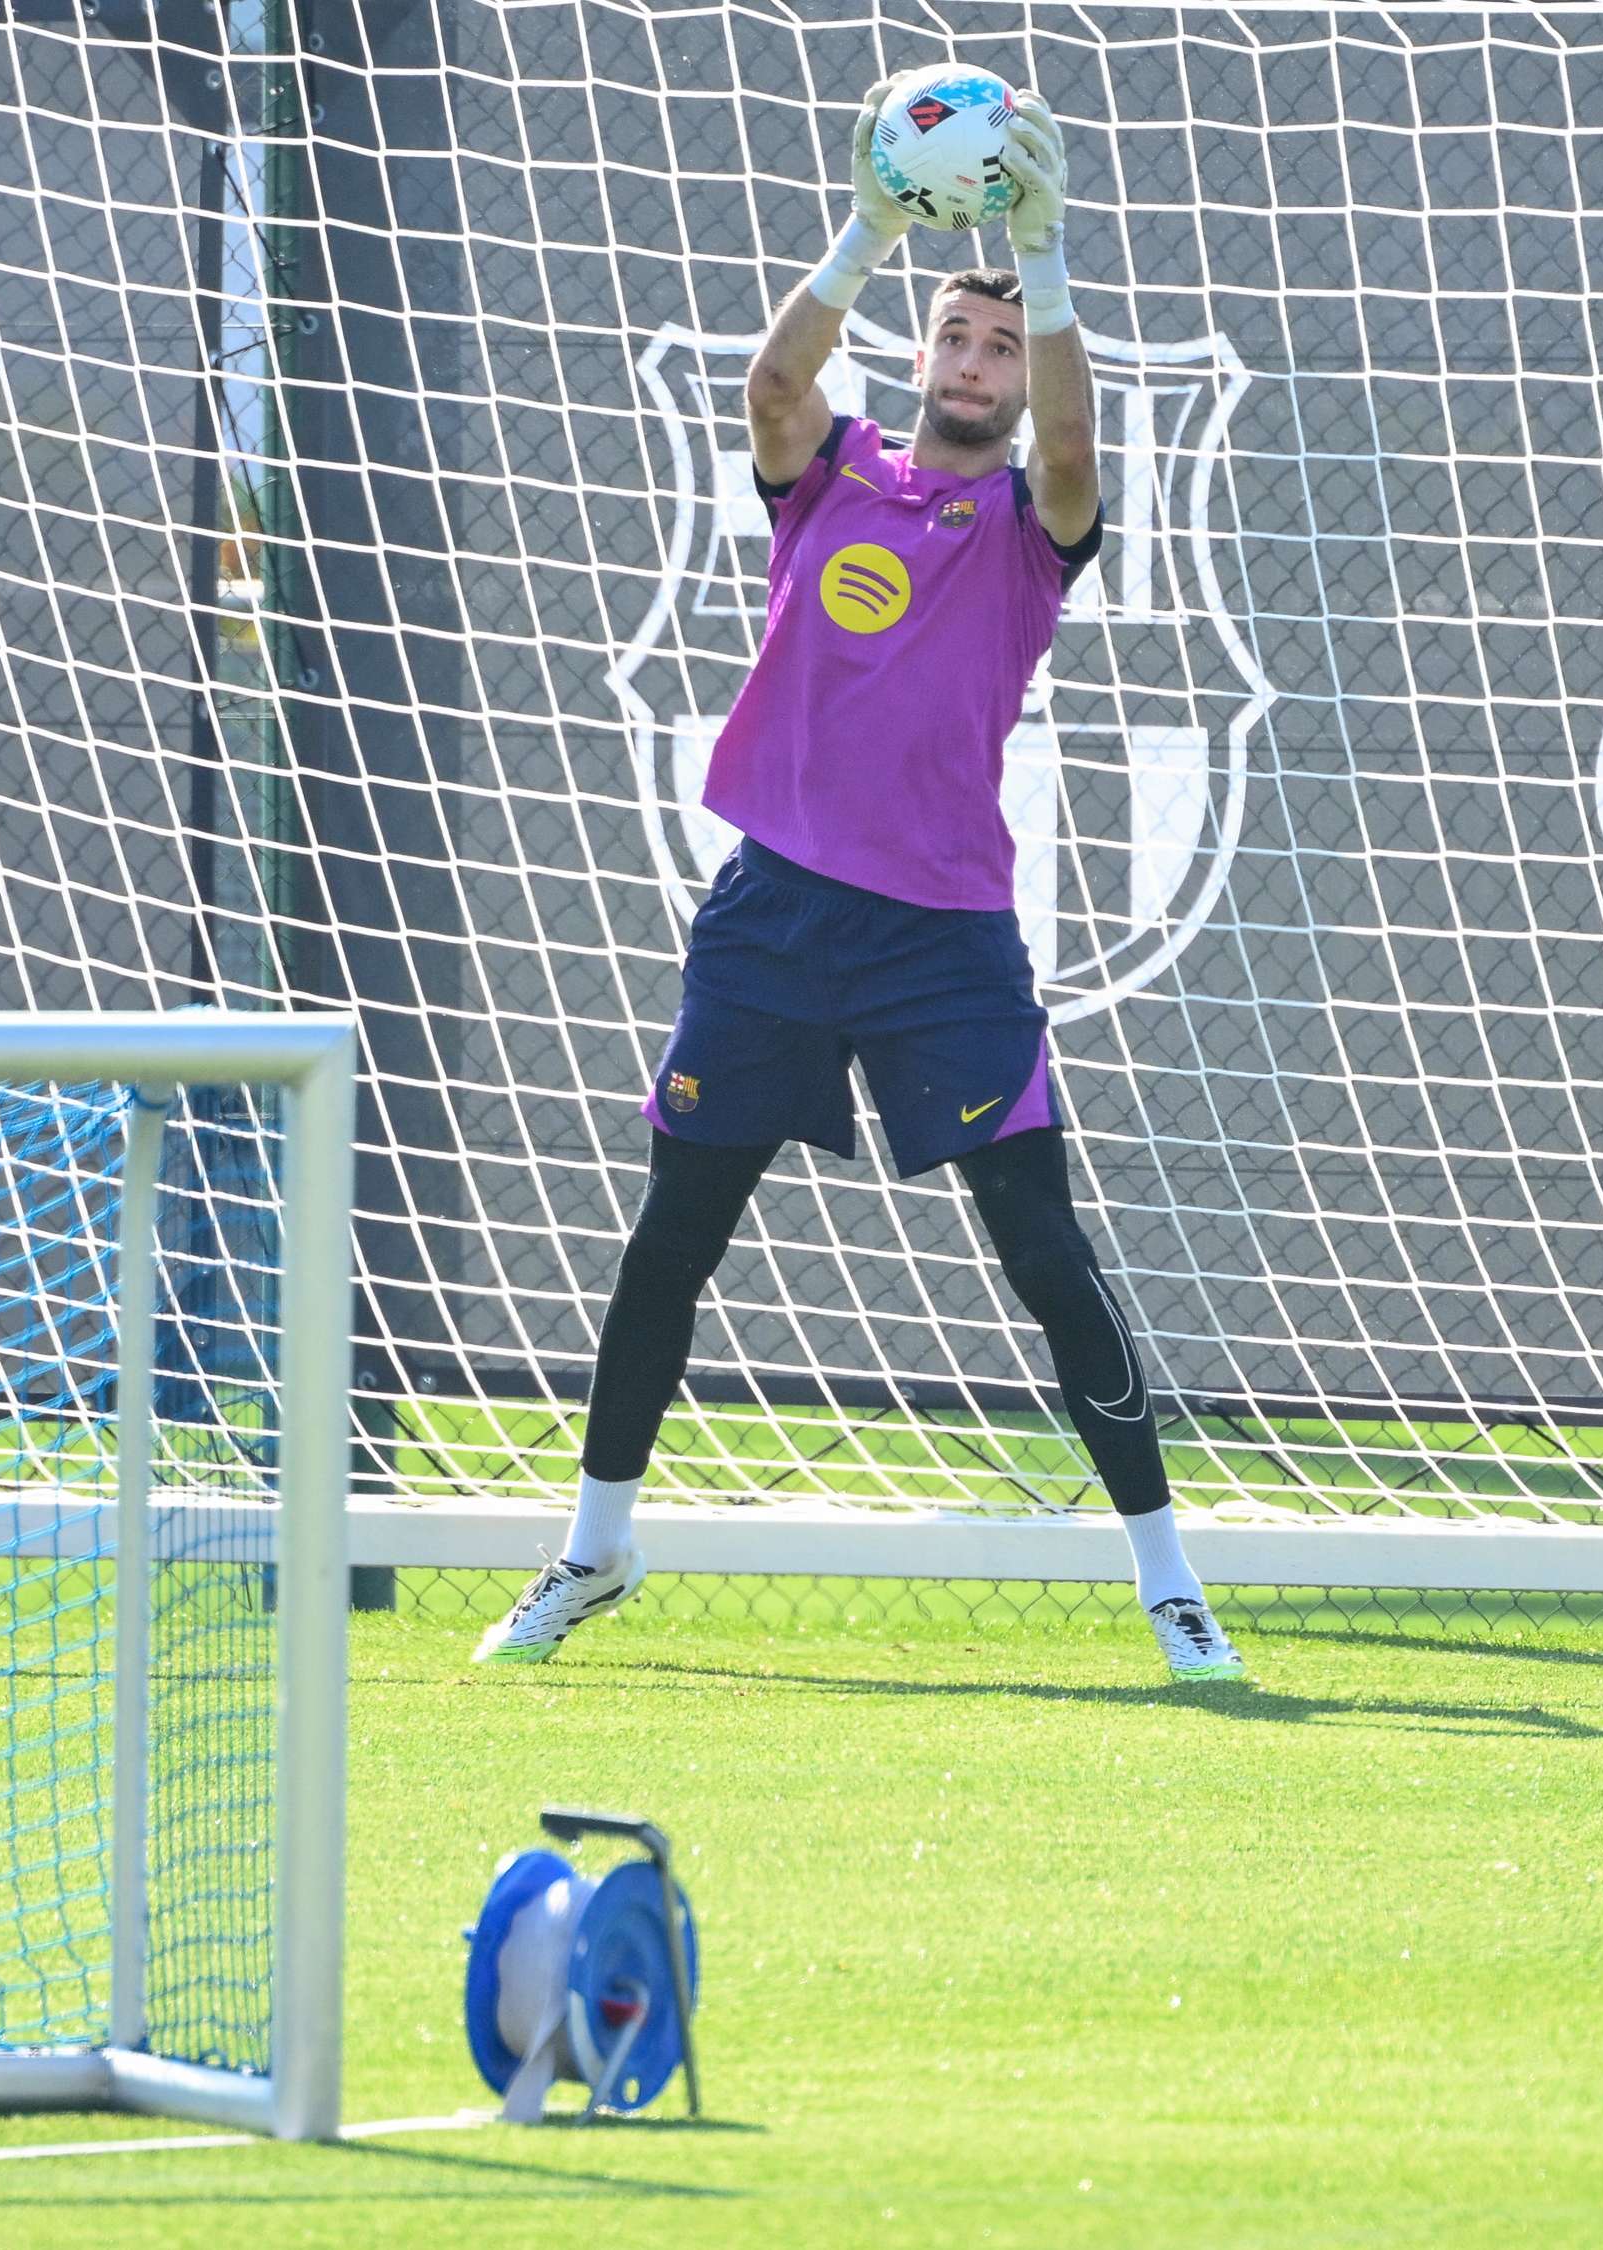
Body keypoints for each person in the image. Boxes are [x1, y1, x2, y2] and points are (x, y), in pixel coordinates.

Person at [475, 85, 1243, 1682]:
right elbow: (769, 380)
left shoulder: (1036, 520)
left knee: (1043, 1248)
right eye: (955, 338)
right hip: (771, 916)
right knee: (674, 1235)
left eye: (997, 349)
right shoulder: (827, 473)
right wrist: (872, 226)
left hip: (945, 938)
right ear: (921, 356)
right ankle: (592, 1552)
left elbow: (1085, 439)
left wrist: (1045, 254)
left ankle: (1170, 1584)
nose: (974, 364)